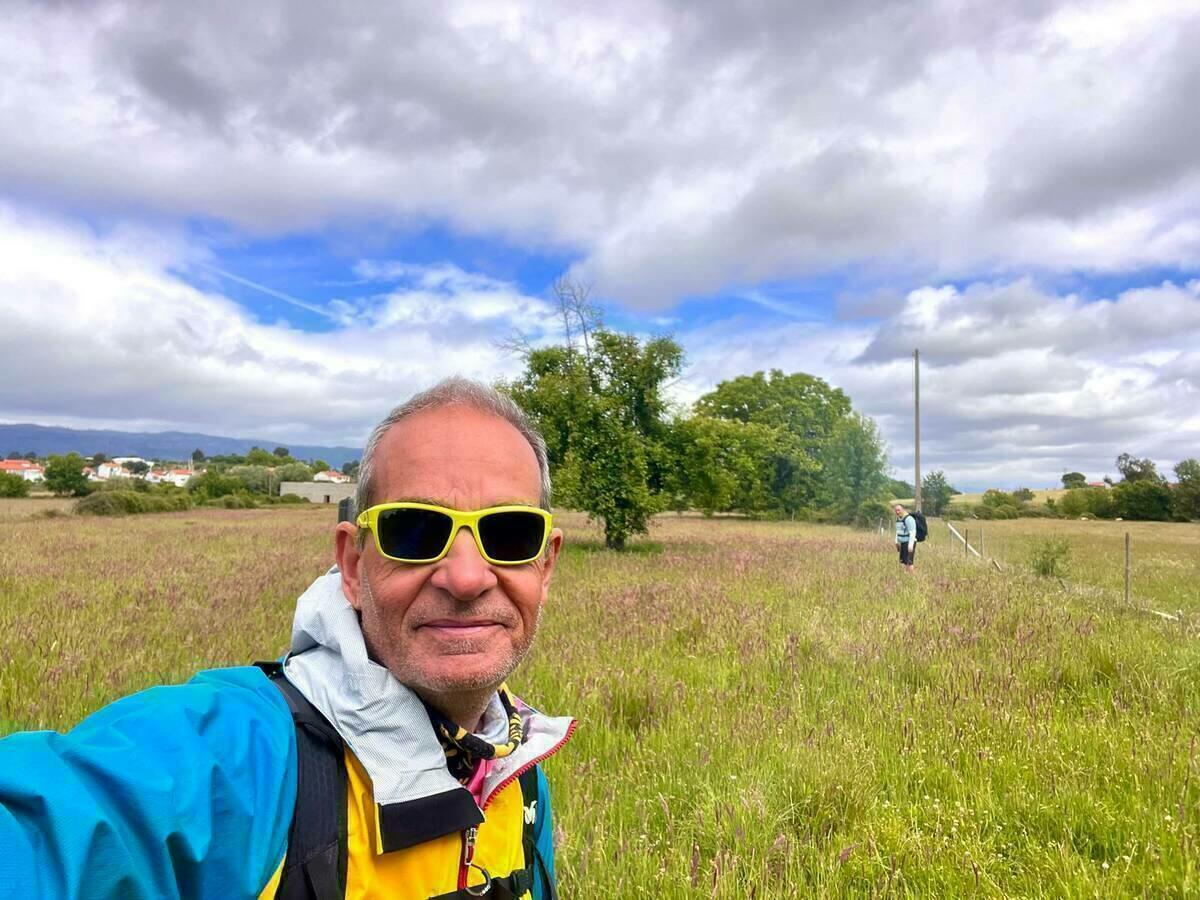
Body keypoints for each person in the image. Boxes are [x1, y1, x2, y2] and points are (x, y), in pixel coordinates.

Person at [0, 378, 573, 900]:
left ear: (544, 567)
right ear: (353, 566)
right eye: (415, 531)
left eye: (510, 531)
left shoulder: (516, 769)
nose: (467, 577)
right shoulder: (241, 757)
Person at [894, 503, 917, 573]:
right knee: (903, 561)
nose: (897, 512)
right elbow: (898, 531)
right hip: (902, 543)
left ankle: (910, 576)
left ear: (903, 510)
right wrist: (896, 541)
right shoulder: (898, 519)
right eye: (896, 510)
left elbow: (913, 532)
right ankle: (905, 575)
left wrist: (910, 545)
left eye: (899, 510)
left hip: (908, 542)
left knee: (909, 562)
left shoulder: (909, 519)